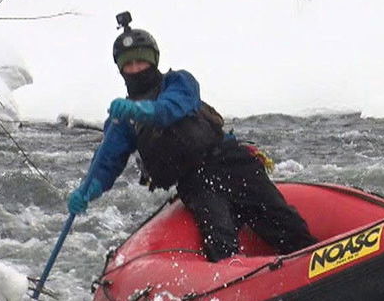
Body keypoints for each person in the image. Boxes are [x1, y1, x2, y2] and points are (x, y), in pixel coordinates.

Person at [67, 14, 316, 262]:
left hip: (230, 161)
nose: (135, 69)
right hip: (194, 182)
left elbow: (172, 108)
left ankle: (311, 261)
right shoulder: (121, 120)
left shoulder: (179, 82)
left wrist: (142, 110)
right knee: (220, 240)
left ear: (153, 61)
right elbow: (107, 162)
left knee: (281, 219)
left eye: (140, 62)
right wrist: (88, 192)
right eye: (128, 64)